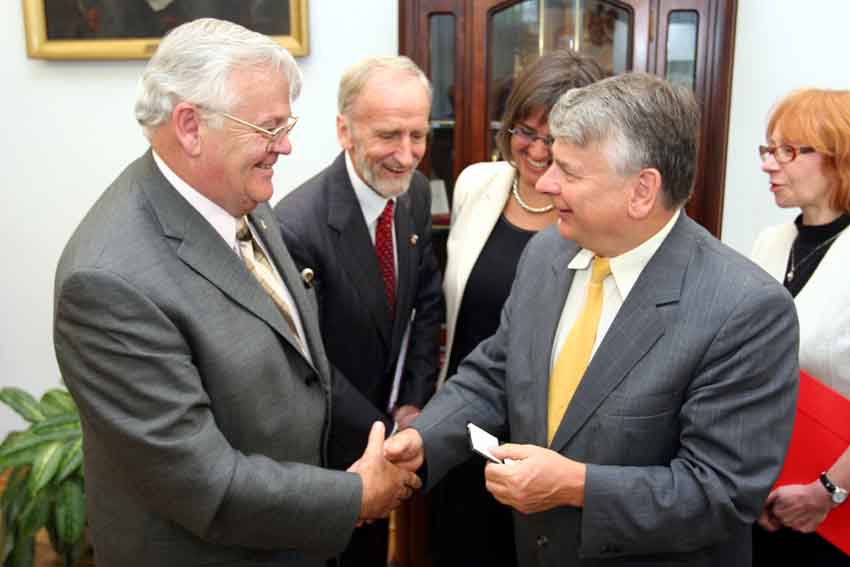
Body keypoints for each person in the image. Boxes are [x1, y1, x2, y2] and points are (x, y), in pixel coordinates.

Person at [385, 72, 800, 566]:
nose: (545, 183)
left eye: (569, 171)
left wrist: (576, 486)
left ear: (642, 190)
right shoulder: (546, 253)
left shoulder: (745, 310)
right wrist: (425, 437)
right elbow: (496, 371)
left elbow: (721, 493)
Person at [53, 19, 419, 567]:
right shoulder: (107, 284)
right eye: (269, 128)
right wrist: (355, 495)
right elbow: (205, 484)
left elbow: (301, 366)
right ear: (190, 126)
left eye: (285, 125)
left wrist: (383, 442)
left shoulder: (240, 192)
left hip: (287, 533)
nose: (286, 146)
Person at [433, 49, 604, 567]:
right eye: (525, 132)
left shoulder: (594, 214)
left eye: (555, 139)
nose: (536, 151)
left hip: (547, 449)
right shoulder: (475, 184)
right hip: (465, 422)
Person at [274, 55, 443, 566]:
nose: (407, 155)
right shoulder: (295, 227)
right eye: (389, 135)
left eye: (418, 135)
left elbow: (426, 302)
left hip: (391, 433)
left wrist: (413, 401)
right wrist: (386, 439)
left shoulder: (414, 194)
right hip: (329, 456)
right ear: (344, 131)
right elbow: (310, 363)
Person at [751, 88, 850, 566]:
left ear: (838, 159)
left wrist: (828, 490)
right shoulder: (770, 242)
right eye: (768, 149)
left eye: (787, 151)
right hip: (763, 494)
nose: (768, 164)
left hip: (834, 511)